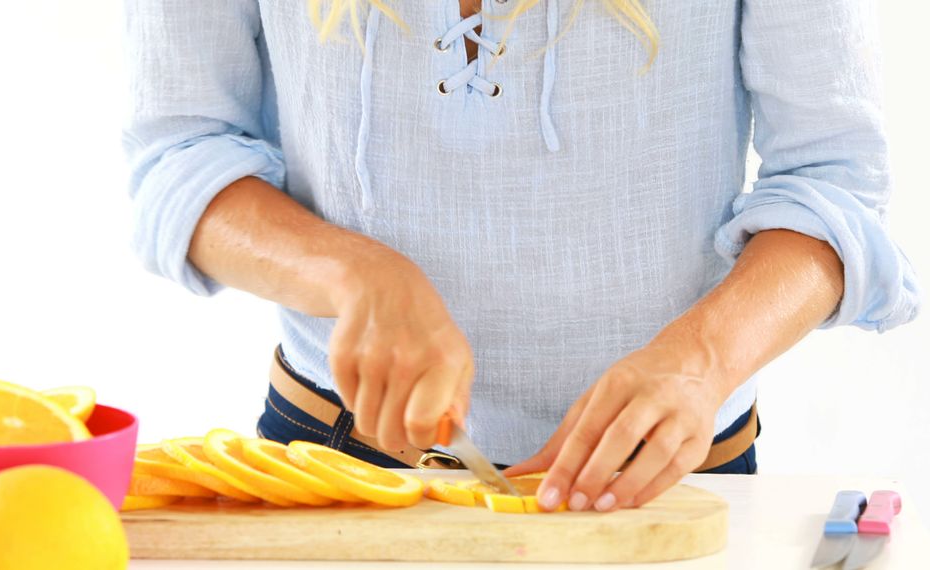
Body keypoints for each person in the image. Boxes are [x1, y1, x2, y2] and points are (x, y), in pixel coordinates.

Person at [122, 0, 920, 512]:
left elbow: (832, 185)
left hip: (660, 482)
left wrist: (701, 360)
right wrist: (350, 272)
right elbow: (181, 152)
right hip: (340, 463)